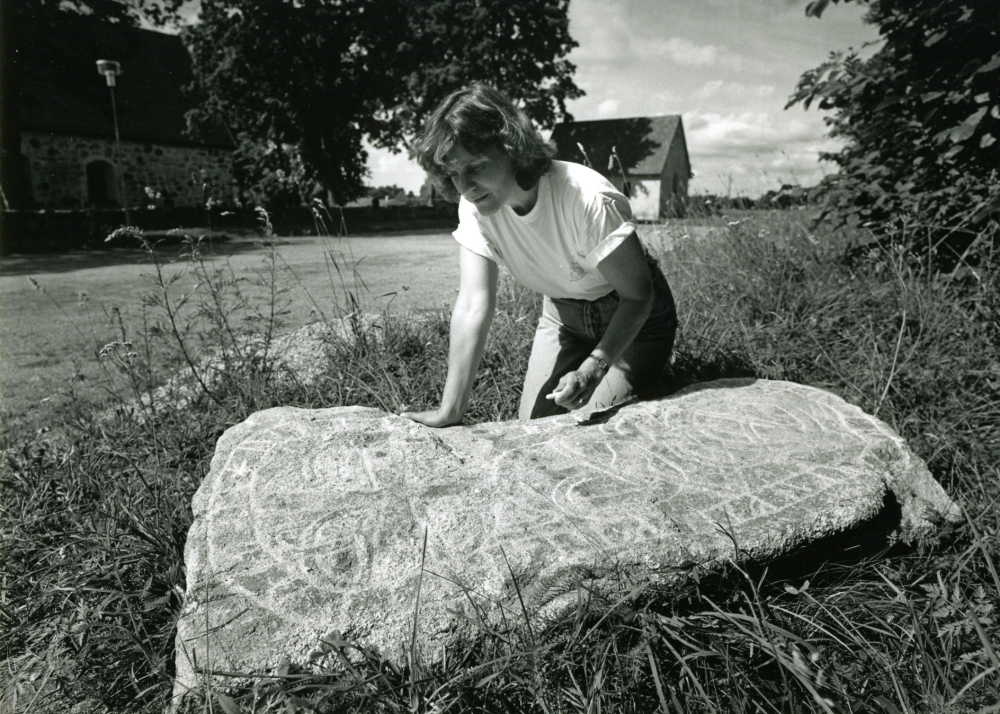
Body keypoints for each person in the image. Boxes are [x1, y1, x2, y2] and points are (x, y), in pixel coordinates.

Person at [401, 83, 677, 427]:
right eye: (454, 174)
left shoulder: (585, 197)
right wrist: (450, 410)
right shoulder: (474, 206)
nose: (465, 187)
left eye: (475, 166)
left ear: (511, 147)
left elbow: (638, 295)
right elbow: (472, 305)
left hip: (634, 319)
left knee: (590, 422)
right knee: (534, 424)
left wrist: (593, 369)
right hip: (564, 319)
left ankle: (656, 380)